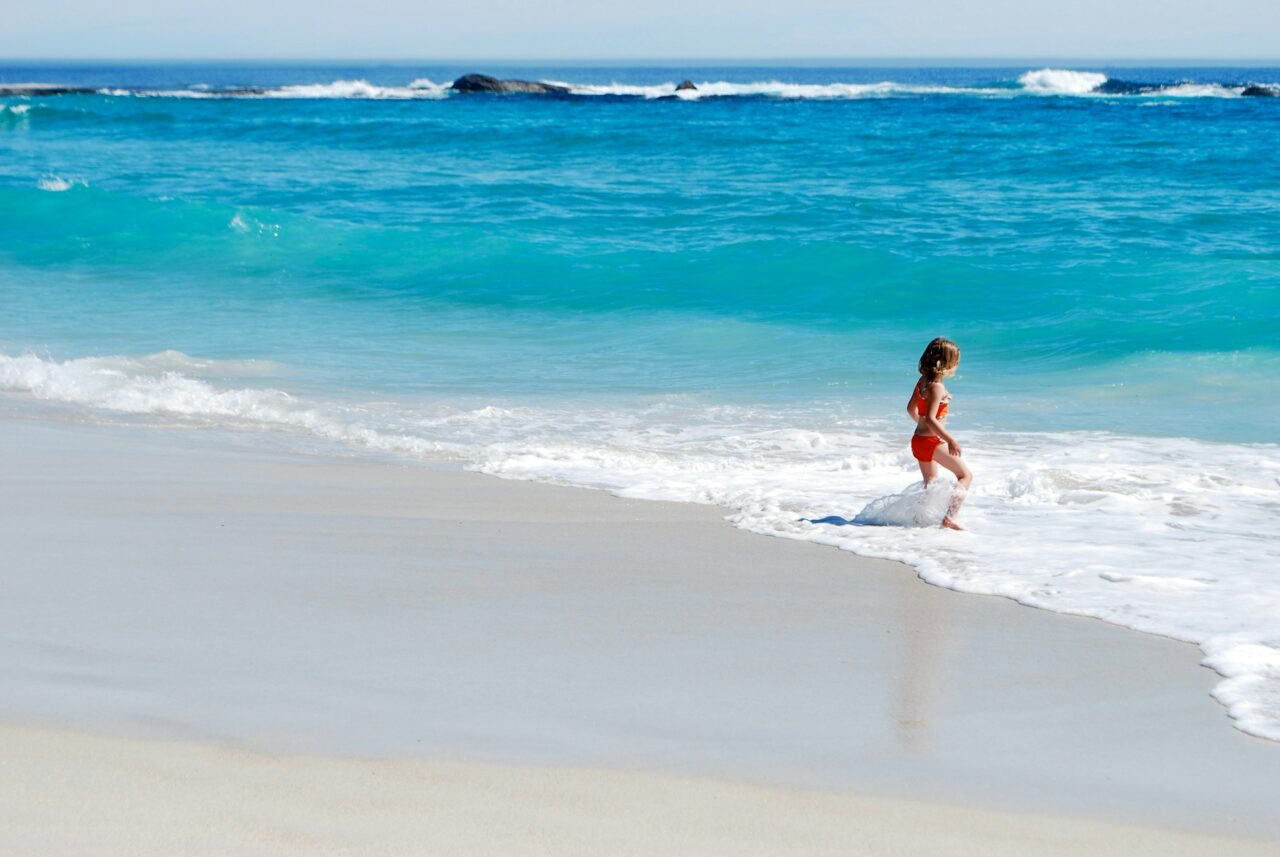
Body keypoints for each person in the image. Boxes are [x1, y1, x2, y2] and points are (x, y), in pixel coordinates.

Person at [906, 337, 972, 530]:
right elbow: (933, 419)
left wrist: (923, 426)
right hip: (932, 441)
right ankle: (951, 516)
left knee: (930, 484)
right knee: (965, 476)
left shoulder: (923, 382)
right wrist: (950, 440)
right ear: (947, 363)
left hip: (918, 440)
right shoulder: (937, 386)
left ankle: (920, 519)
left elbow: (912, 410)